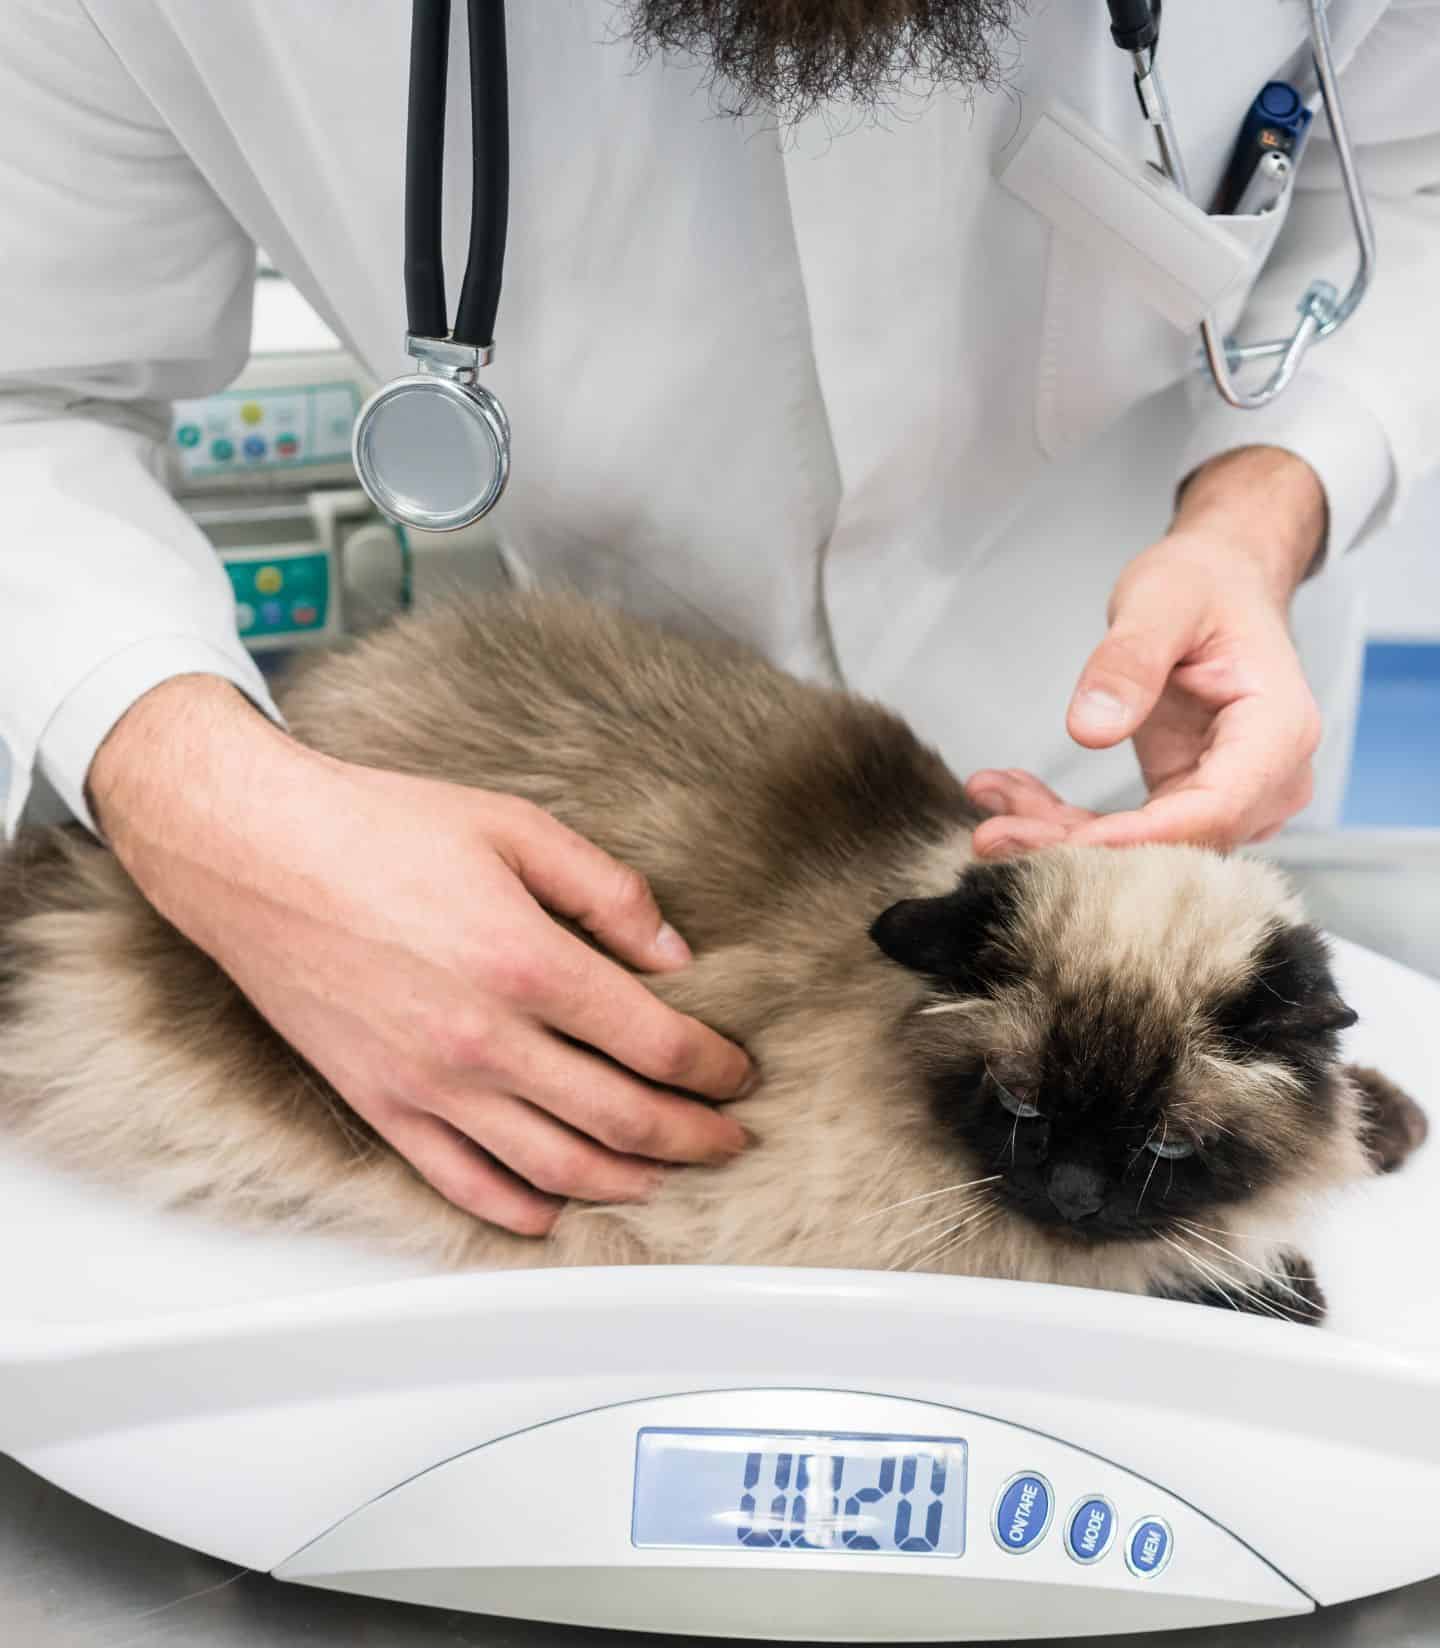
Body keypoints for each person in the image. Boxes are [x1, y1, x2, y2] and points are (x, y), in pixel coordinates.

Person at [1, 0, 1437, 1237]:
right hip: (580, 825)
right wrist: (205, 800)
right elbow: (27, 391)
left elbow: (1411, 178)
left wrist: (1258, 517)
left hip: (1151, 805)